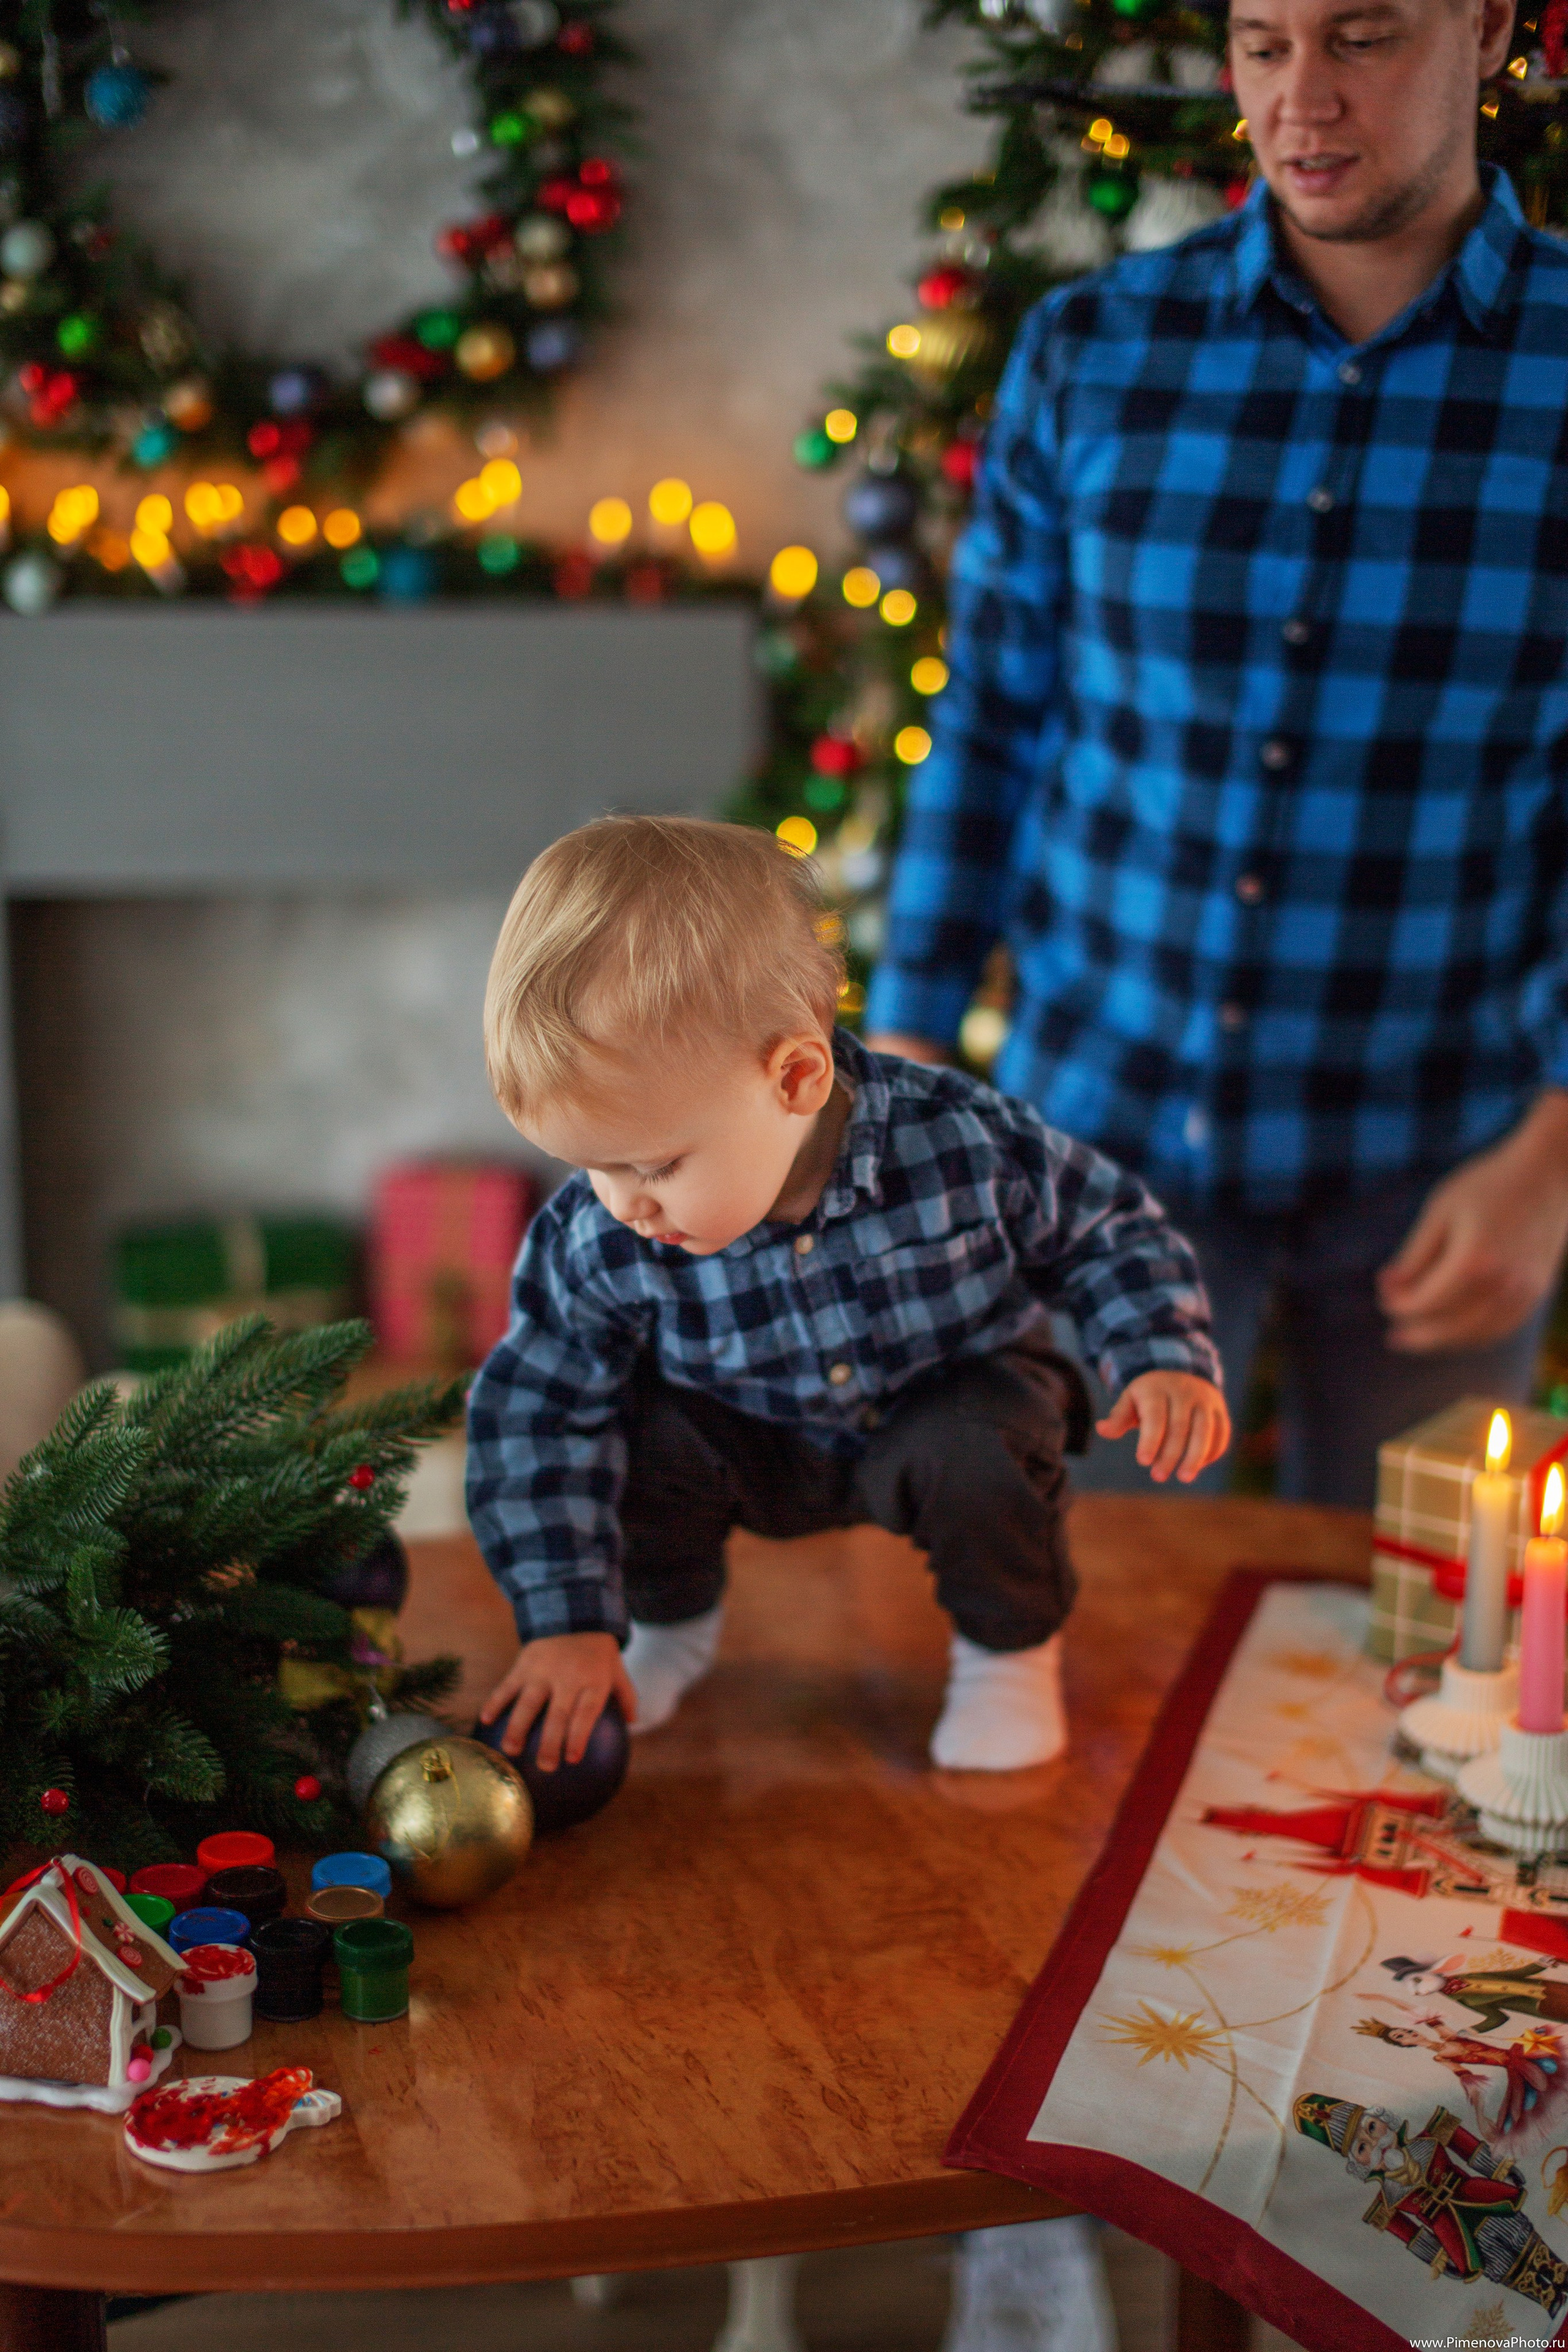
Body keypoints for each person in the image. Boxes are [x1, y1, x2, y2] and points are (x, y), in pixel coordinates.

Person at [865, 0, 1568, 1510]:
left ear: (1483, 29)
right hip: (1096, 1148)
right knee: (1078, 1615)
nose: (1299, 100)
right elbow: (990, 713)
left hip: (1444, 1156)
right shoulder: (1091, 349)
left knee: (1407, 1630)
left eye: (1361, 39)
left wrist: (1555, 1153)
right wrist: (907, 1053)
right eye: (1261, 43)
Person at [465, 815, 1226, 1775]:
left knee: (985, 1444)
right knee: (632, 1429)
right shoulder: (599, 1231)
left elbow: (1106, 1228)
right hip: (744, 1432)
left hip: (937, 1404)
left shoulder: (965, 1144)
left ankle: (1006, 1657)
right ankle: (671, 1628)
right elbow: (535, 1412)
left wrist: (1160, 1353)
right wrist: (566, 1620)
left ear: (795, 1076)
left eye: (653, 1166)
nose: (624, 1206)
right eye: (592, 1168)